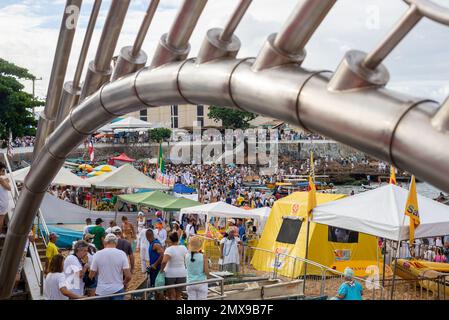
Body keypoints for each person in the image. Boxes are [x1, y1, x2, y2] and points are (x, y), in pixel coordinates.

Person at [89, 233, 132, 300]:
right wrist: (123, 283)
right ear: (116, 243)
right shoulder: (122, 254)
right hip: (118, 289)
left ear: (105, 242)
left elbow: (91, 275)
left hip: (102, 291)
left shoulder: (97, 254)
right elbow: (128, 276)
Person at [161, 232, 188, 300]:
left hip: (170, 274)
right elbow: (186, 259)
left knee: (172, 296)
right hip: (182, 273)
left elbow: (164, 261)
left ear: (170, 240)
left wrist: (161, 270)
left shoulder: (169, 249)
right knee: (178, 296)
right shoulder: (183, 248)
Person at [0, 162, 11, 238]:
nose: (4, 172)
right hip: (2, 201)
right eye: (3, 170)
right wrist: (6, 181)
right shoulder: (1, 179)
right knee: (1, 219)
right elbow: (9, 188)